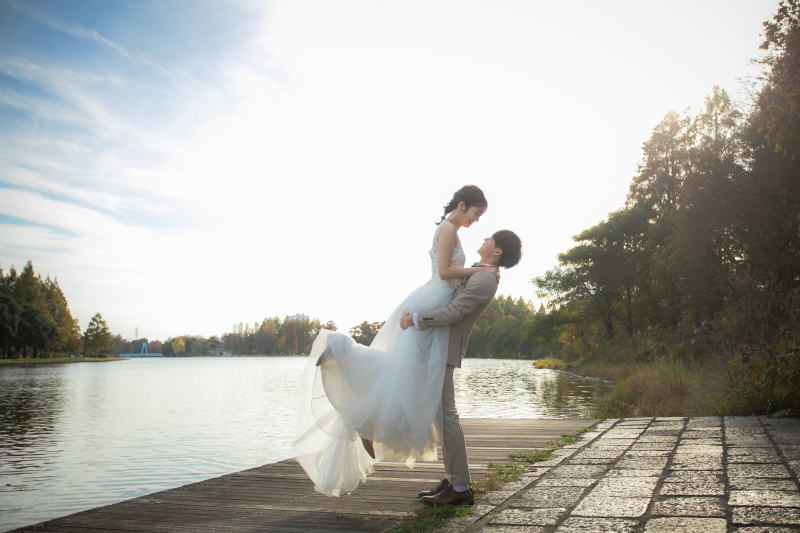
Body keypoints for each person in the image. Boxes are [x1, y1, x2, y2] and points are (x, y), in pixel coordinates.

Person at [292, 185, 498, 497]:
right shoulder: (447, 229)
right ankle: (343, 351)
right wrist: (477, 270)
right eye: (476, 213)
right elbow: (444, 272)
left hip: (435, 304)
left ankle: (368, 424)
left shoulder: (452, 230)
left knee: (405, 376)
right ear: (462, 204)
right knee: (402, 373)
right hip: (433, 300)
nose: (477, 220)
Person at [400, 229, 522, 506]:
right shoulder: (477, 273)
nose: (484, 239)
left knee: (447, 417)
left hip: (445, 349)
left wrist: (416, 318)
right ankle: (453, 478)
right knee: (441, 418)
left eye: (490, 238)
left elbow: (455, 312)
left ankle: (460, 487)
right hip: (437, 346)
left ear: (498, 251)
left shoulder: (484, 279)